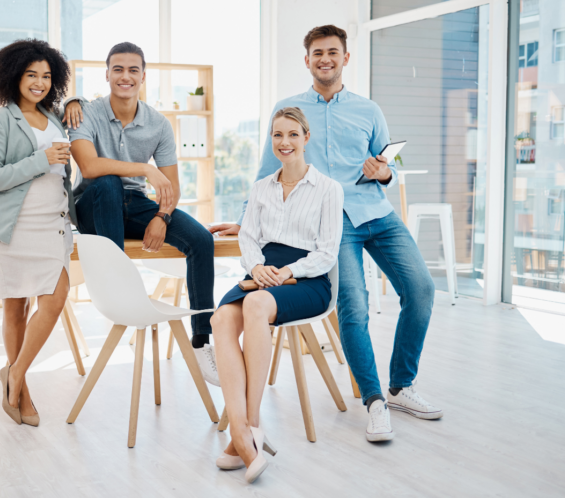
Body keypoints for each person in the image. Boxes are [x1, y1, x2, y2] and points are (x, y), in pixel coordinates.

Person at [209, 25, 443, 443]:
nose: (325, 59)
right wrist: (247, 221)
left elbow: (388, 163)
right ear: (307, 60)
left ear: (345, 58)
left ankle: (401, 385)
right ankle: (374, 402)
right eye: (317, 53)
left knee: (422, 289)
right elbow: (267, 174)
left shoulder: (369, 110)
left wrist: (385, 172)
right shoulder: (290, 111)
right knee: (354, 306)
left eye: (333, 52)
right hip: (335, 224)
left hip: (377, 212)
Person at [63, 42, 220, 385]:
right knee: (106, 181)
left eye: (133, 70)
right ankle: (119, 298)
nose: (125, 76)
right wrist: (145, 170)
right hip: (93, 200)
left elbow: (171, 187)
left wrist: (161, 218)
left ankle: (202, 339)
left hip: (137, 204)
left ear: (143, 77)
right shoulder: (83, 113)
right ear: (106, 75)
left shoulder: (158, 124)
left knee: (200, 240)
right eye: (118, 69)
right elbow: (88, 167)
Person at [211, 107, 343, 483]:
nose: (284, 143)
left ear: (306, 138)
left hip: (308, 279)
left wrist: (288, 271)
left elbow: (327, 252)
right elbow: (249, 238)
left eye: (292, 135)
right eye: (277, 136)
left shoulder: (328, 189)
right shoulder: (261, 188)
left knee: (254, 304)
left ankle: (248, 428)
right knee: (220, 318)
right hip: (264, 273)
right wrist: (256, 268)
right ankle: (243, 432)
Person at [0, 39, 77, 426]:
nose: (39, 82)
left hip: (51, 223)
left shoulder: (55, 116)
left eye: (47, 76)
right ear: (13, 76)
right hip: (14, 227)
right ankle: (23, 391)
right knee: (15, 306)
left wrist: (76, 102)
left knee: (55, 297)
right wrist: (41, 160)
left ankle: (14, 373)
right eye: (31, 75)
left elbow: (78, 113)